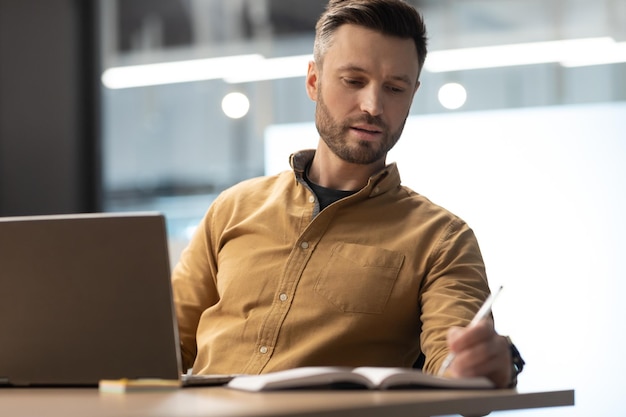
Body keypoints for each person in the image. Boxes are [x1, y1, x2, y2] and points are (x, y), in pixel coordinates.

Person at [172, 0, 523, 389]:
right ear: (313, 81)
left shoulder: (443, 239)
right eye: (353, 81)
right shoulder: (233, 208)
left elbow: (452, 364)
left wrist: (482, 364)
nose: (373, 106)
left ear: (412, 95)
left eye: (394, 88)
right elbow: (162, 345)